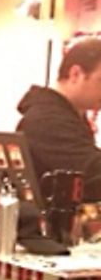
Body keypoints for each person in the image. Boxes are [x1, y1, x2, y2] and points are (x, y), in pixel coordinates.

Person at [16, 37, 101, 200]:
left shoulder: (68, 115)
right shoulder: (46, 120)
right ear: (75, 74)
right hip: (45, 224)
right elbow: (92, 173)